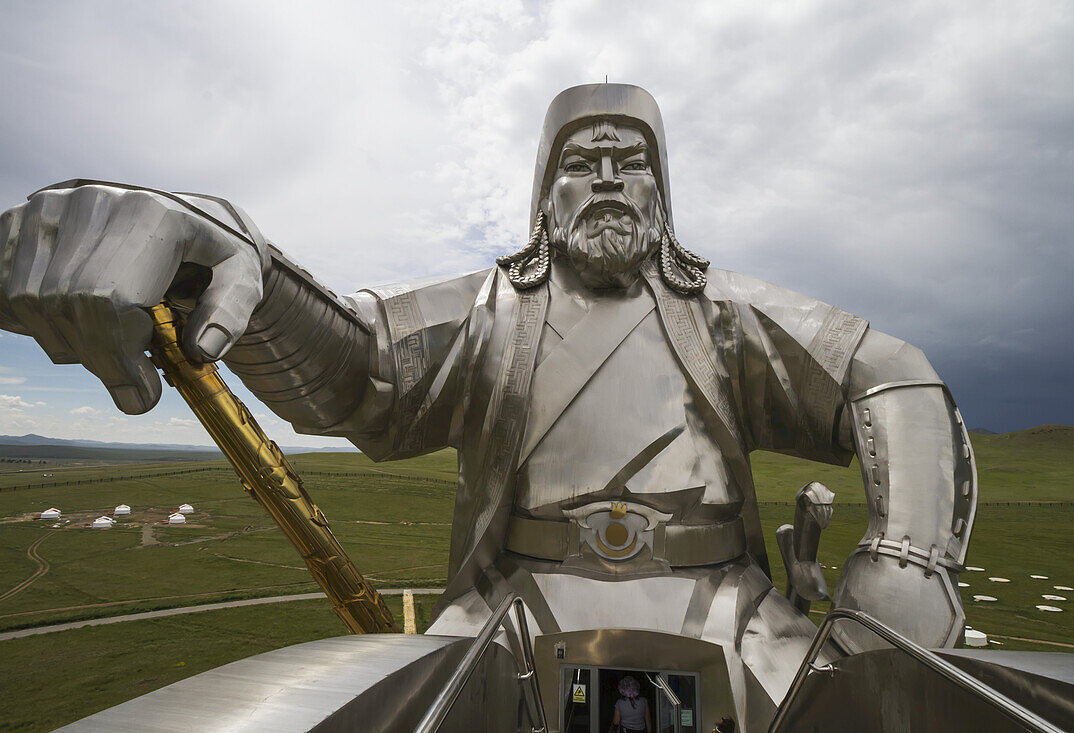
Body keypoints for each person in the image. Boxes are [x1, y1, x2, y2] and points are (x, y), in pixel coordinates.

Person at [0, 84, 977, 731]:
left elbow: (886, 373)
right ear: (541, 192)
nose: (601, 174)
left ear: (663, 187)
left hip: (725, 605)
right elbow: (359, 369)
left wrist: (908, 555)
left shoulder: (723, 313)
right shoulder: (488, 309)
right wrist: (229, 255)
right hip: (508, 611)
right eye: (578, 158)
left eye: (625, 158)